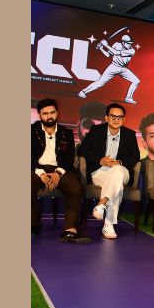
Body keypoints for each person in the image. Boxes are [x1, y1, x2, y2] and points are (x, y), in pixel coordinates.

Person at [32, 98, 92, 243]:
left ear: (57, 113)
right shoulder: (31, 131)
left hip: (59, 169)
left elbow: (69, 157)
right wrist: (41, 174)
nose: (49, 116)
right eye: (45, 113)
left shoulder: (67, 133)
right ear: (40, 115)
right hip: (36, 168)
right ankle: (33, 224)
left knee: (75, 188)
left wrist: (58, 173)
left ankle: (70, 230)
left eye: (52, 112)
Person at [77, 103, 140, 239]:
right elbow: (82, 150)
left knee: (117, 171)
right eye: (113, 116)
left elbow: (135, 156)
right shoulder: (96, 130)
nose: (116, 120)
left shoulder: (129, 134)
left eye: (120, 117)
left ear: (124, 119)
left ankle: (102, 203)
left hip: (122, 171)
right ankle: (109, 224)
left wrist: (120, 162)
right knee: (117, 186)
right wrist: (100, 160)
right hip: (100, 172)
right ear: (106, 118)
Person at [77, 32, 141, 103]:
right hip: (114, 66)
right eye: (128, 43)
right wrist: (101, 48)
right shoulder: (116, 44)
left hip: (124, 69)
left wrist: (106, 45)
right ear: (123, 42)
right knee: (100, 82)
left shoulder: (132, 51)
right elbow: (108, 55)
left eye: (130, 43)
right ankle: (83, 92)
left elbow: (116, 53)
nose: (130, 45)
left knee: (136, 81)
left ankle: (128, 98)